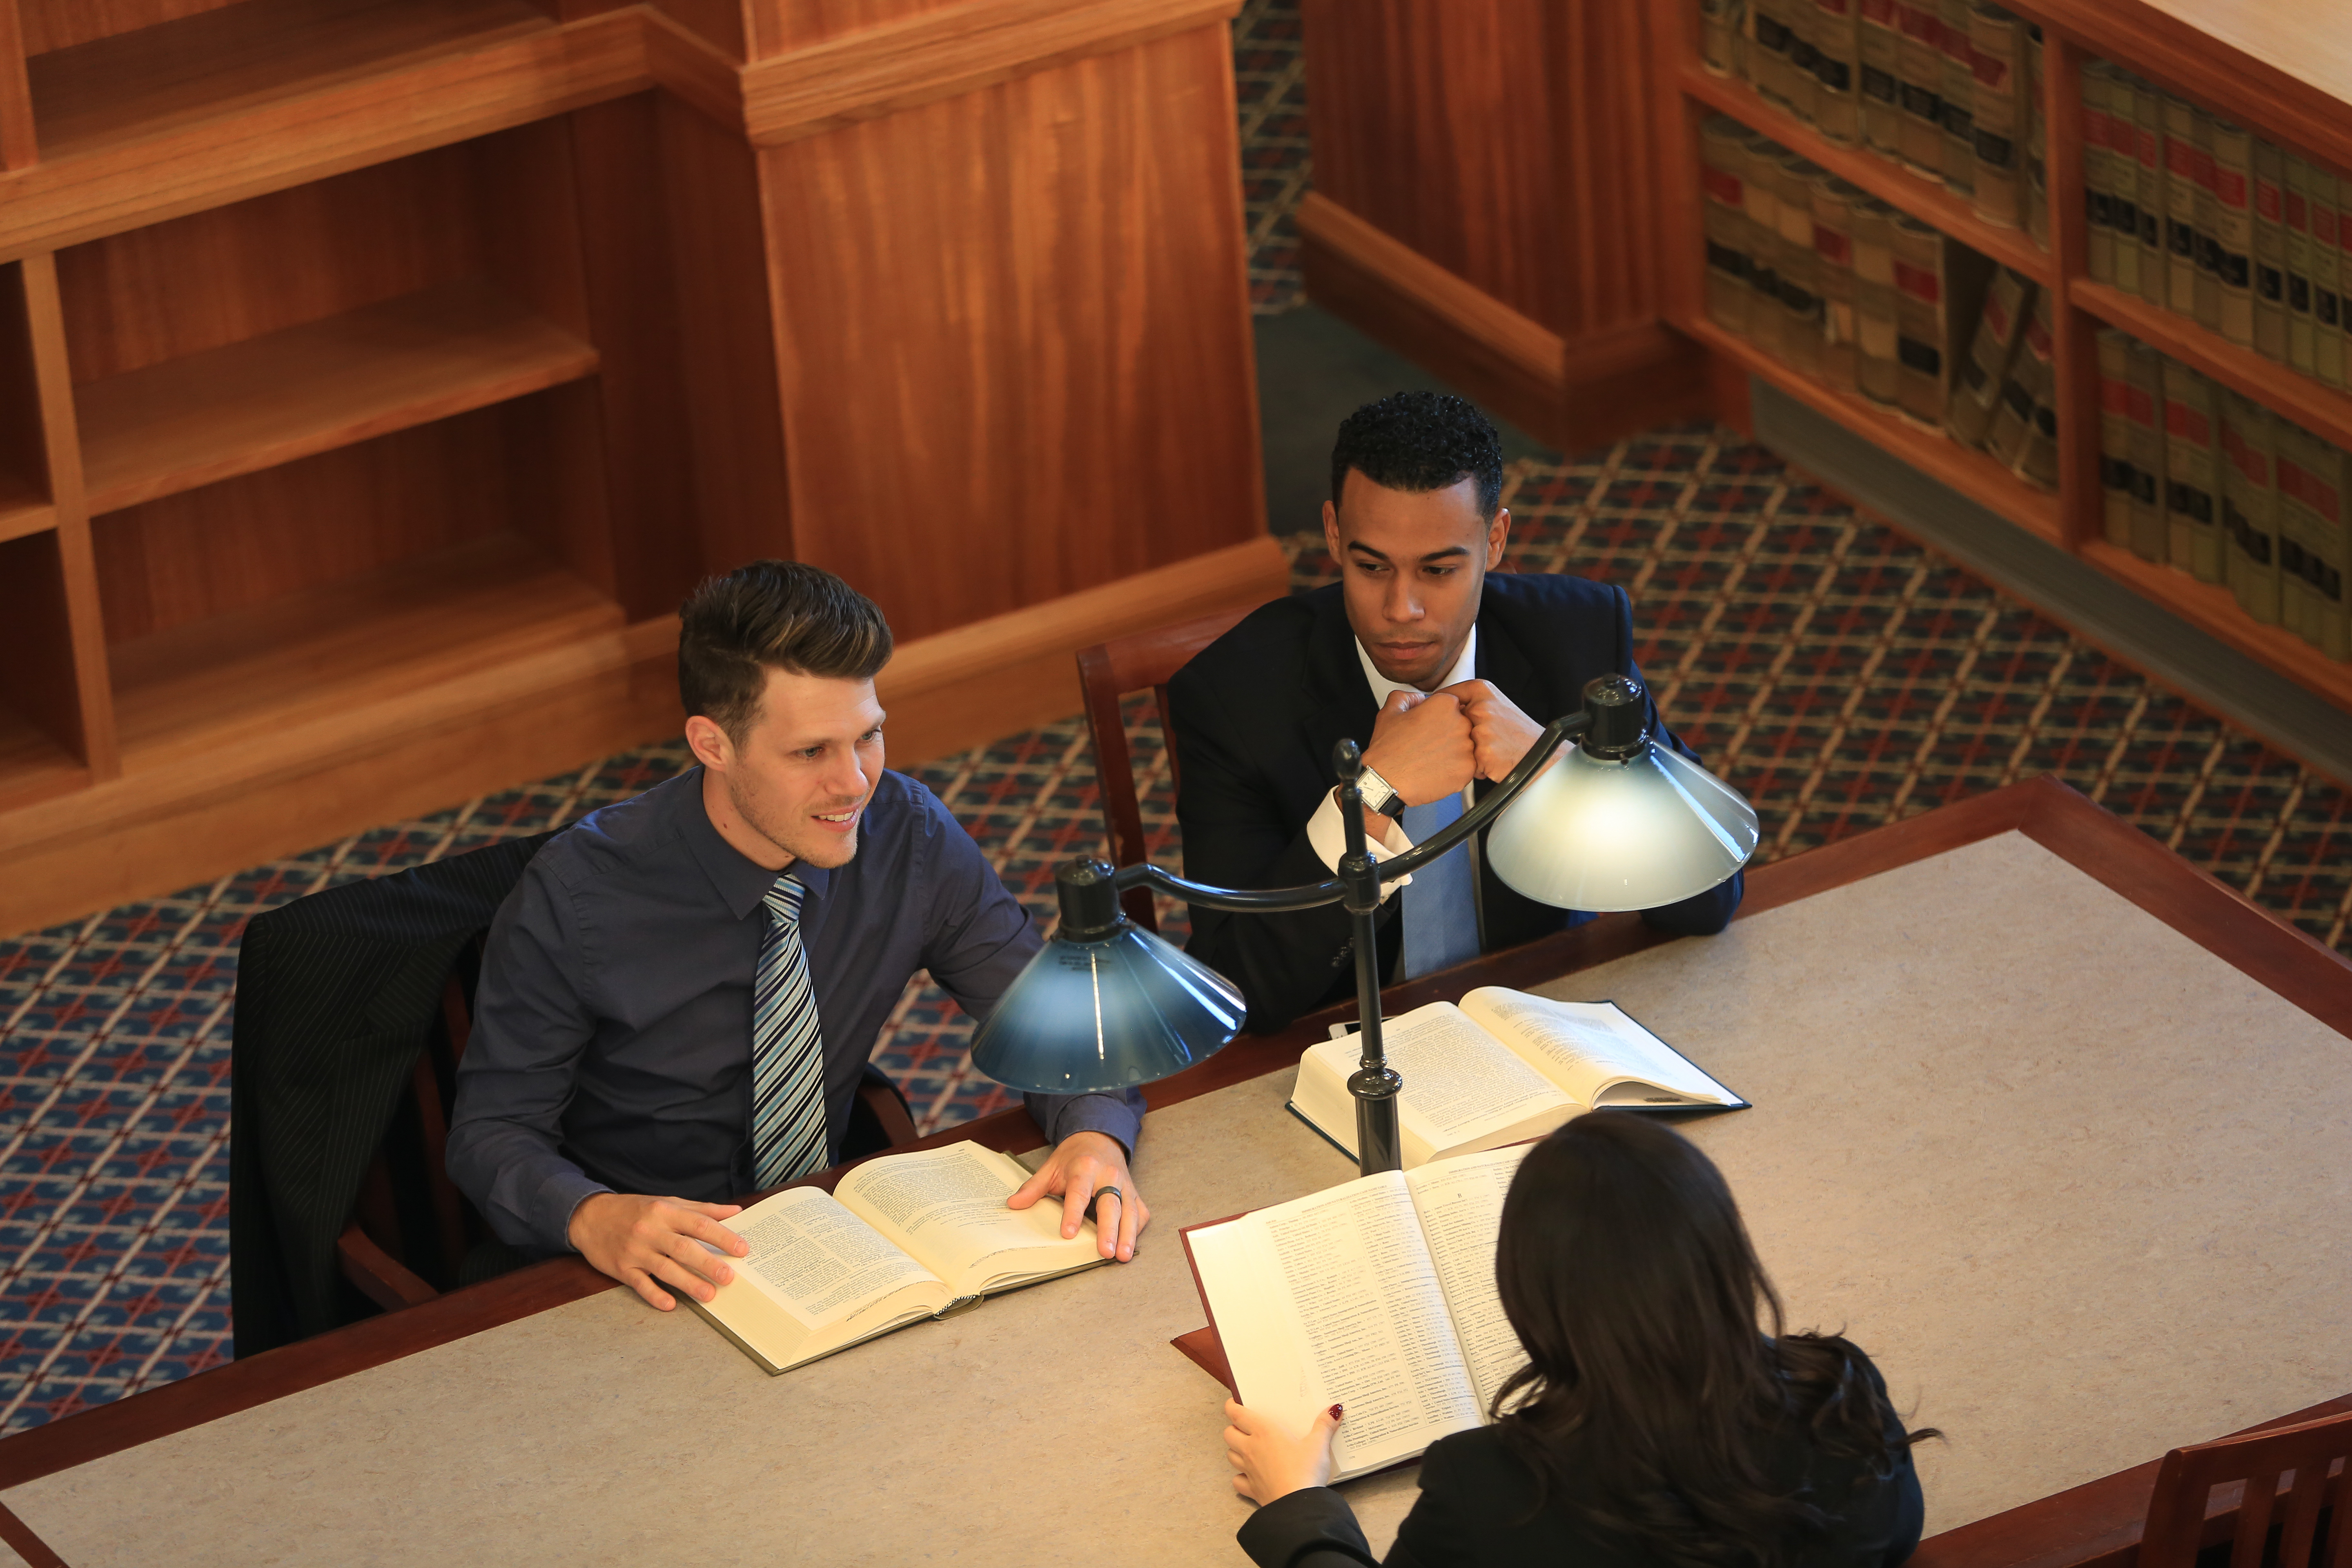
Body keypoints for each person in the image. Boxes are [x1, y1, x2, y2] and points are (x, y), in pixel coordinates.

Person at [446, 561, 1149, 1313]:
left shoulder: (907, 834)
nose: (855, 783)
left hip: (835, 1236)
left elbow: (1064, 1031)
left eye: (869, 736)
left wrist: (1094, 1136)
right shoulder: (577, 895)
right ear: (712, 745)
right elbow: (492, 1134)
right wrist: (590, 1216)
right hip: (646, 1269)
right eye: (811, 752)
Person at [1168, 392, 1742, 1032]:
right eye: (1371, 566)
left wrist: (1559, 771)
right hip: (1353, 1054)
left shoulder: (1578, 638)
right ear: (1333, 532)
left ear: (1494, 540)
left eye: (1438, 570)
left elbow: (1710, 900)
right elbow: (1235, 994)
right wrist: (1372, 798)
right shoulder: (1233, 697)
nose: (1402, 608)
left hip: (1545, 1026)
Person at [1220, 1112, 1934, 1568]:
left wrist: (1297, 1505)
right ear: (1721, 1254)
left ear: (1531, 1295)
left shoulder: (1489, 1487)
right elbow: (1896, 1538)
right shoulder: (1842, 1395)